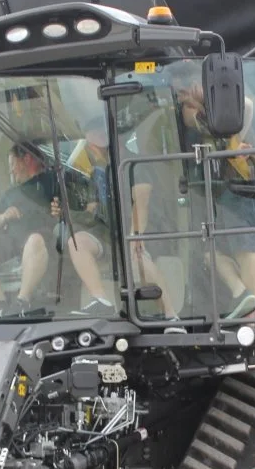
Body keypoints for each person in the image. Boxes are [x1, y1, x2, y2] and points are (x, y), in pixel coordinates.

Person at [56, 117, 181, 324]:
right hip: (107, 235)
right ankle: (100, 300)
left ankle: (170, 316)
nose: (89, 147)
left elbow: (141, 203)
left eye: (93, 142)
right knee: (76, 242)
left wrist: (135, 236)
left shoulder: (133, 164)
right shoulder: (96, 171)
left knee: (138, 257)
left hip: (138, 231)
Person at [170, 66, 255, 319]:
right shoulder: (196, 117)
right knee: (214, 254)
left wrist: (204, 97)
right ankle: (242, 295)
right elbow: (194, 123)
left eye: (182, 92)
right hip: (223, 189)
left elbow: (247, 105)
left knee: (246, 251)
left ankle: (249, 320)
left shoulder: (225, 111)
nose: (180, 100)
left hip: (240, 183)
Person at [0, 141, 57, 316]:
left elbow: (64, 208)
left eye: (12, 164)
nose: (10, 170)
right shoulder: (11, 193)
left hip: (41, 241)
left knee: (34, 240)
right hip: (9, 242)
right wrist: (3, 216)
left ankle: (22, 302)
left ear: (27, 159)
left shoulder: (51, 180)